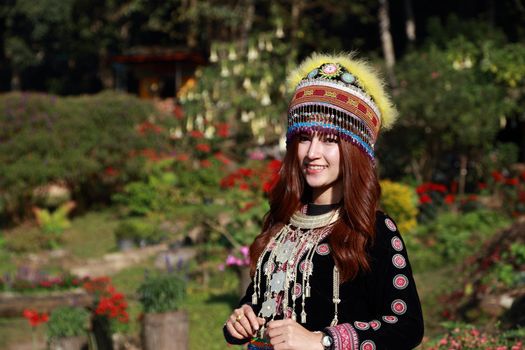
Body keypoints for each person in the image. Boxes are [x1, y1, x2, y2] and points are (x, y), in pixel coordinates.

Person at [223, 52, 424, 350]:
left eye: (329, 140)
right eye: (304, 138)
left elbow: (407, 326)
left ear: (354, 150)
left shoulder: (373, 229)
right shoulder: (283, 221)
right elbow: (260, 300)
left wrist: (323, 340)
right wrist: (242, 318)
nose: (312, 152)